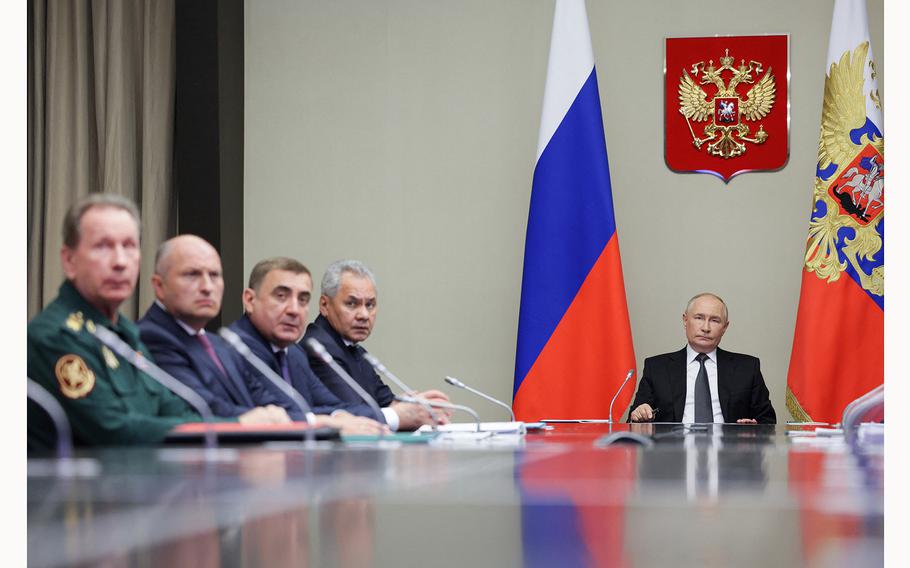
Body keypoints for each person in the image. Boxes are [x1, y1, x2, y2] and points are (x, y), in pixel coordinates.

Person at [27, 194, 202, 448]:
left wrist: (243, 427)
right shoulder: (54, 335)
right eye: (103, 246)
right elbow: (115, 431)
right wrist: (239, 428)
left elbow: (175, 411)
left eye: (129, 246)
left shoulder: (125, 333)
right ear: (69, 260)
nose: (120, 262)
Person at [138, 235, 297, 425]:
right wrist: (256, 419)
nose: (207, 287)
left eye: (214, 275)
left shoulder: (219, 343)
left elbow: (264, 397)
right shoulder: (151, 336)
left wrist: (314, 420)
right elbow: (203, 407)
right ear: (159, 286)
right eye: (192, 274)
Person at [228, 257, 388, 434]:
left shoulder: (294, 352)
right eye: (281, 297)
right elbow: (283, 414)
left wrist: (338, 417)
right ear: (250, 300)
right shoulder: (234, 348)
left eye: (303, 299)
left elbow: (334, 406)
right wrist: (330, 422)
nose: (294, 310)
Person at [303, 260, 450, 431]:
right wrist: (402, 412)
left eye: (370, 305)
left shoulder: (354, 350)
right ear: (324, 305)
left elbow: (385, 402)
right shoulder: (319, 349)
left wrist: (414, 405)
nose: (364, 315)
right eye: (351, 303)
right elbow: (354, 417)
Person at [628, 293, 776, 424]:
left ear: (725, 327)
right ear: (685, 320)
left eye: (714, 320)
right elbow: (633, 419)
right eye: (699, 318)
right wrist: (639, 414)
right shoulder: (657, 368)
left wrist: (754, 428)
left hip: (730, 451)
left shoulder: (747, 368)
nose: (706, 328)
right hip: (673, 451)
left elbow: (768, 420)